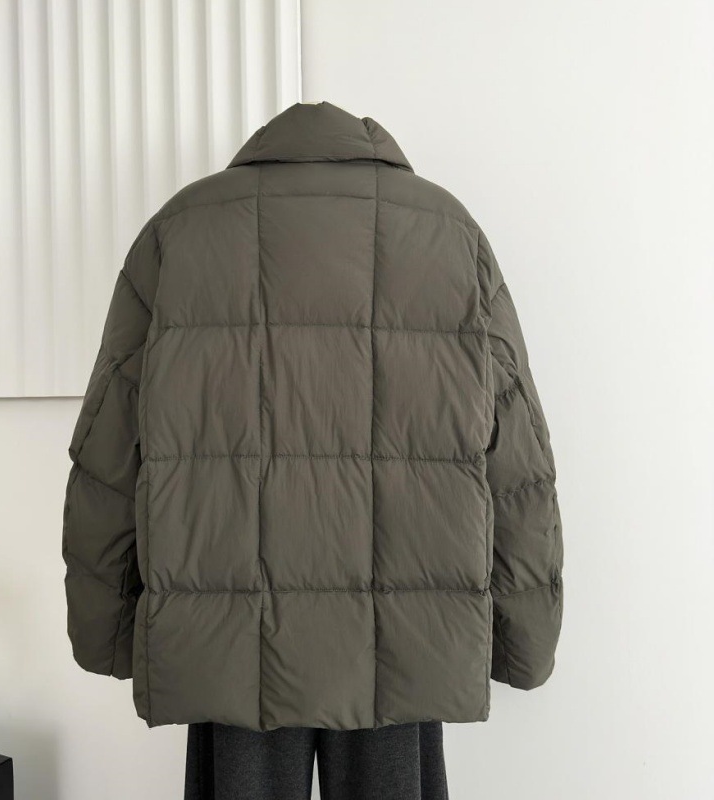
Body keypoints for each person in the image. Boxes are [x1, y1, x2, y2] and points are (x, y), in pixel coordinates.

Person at [61, 100, 564, 799]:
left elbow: (110, 449)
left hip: (230, 625)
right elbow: (518, 460)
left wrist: (108, 627)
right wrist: (522, 637)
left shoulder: (181, 231)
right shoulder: (448, 233)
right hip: (403, 627)